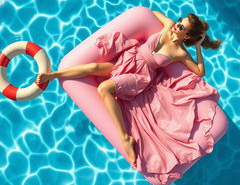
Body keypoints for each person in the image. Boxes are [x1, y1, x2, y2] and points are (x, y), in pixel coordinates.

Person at [36, 11, 222, 167]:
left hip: (140, 76)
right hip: (130, 59)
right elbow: (153, 12)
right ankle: (52, 75)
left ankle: (125, 138)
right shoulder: (168, 25)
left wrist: (198, 47)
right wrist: (165, 20)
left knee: (104, 88)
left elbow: (200, 72)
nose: (177, 25)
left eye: (182, 27)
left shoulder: (180, 53)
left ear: (187, 36)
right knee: (93, 68)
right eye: (180, 21)